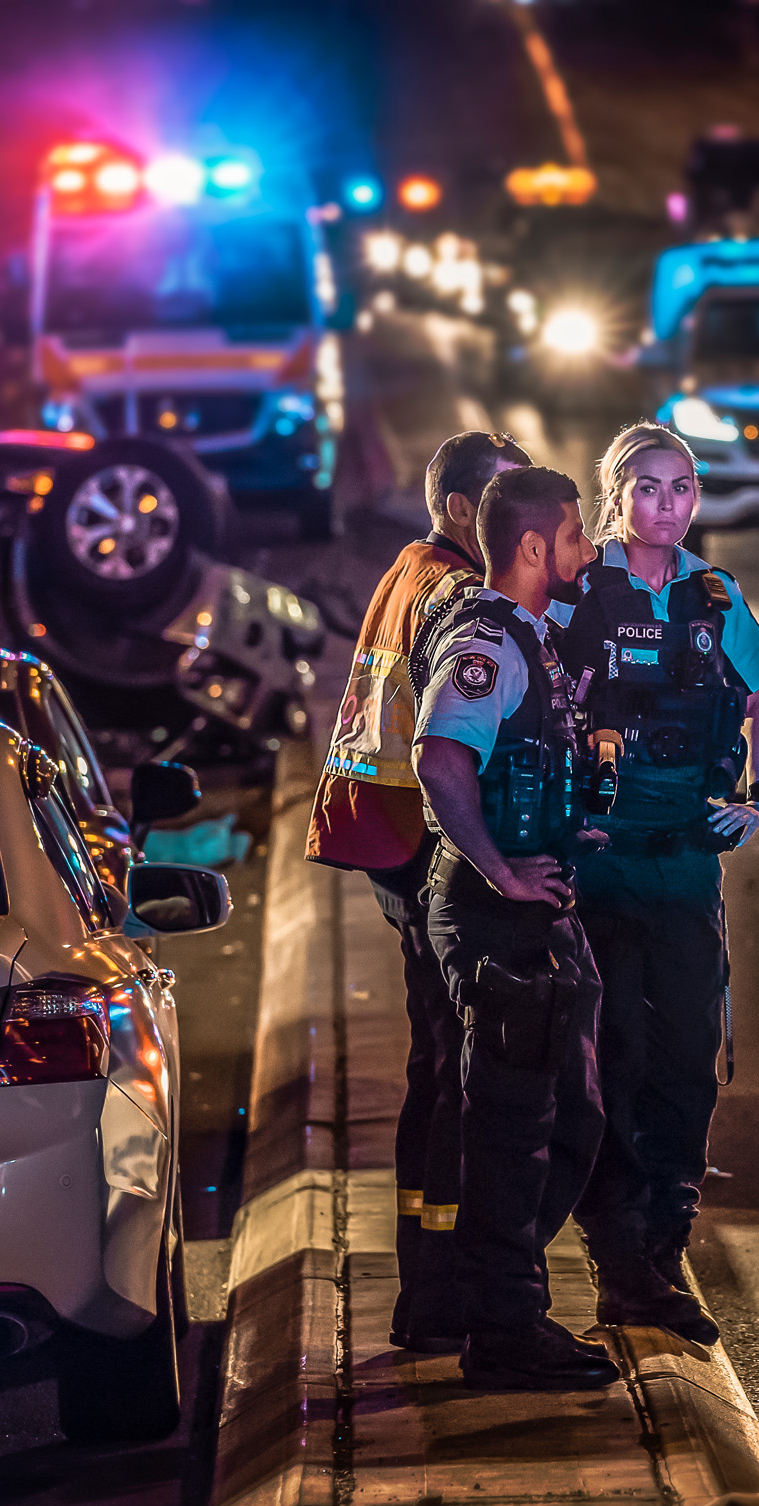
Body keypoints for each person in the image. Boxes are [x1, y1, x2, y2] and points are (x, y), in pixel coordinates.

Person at [550, 423, 759, 1345]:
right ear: (617, 496)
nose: (667, 504)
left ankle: (665, 1245)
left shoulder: (716, 595)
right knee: (611, 1060)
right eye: (647, 487)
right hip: (600, 865)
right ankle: (619, 1256)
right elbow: (537, 699)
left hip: (685, 861)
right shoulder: (579, 592)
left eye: (682, 487)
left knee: (688, 1057)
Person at [309, 431, 530, 1352]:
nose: (521, 526)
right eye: (506, 505)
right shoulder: (452, 593)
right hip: (427, 854)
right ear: (456, 511)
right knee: (459, 1076)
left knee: (433, 1070)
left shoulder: (409, 567)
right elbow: (457, 747)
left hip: (392, 848)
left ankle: (424, 1281)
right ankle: (442, 1291)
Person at [412, 464, 616, 1393]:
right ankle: (502, 1326)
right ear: (535, 546)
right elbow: (441, 757)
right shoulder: (486, 640)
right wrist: (499, 866)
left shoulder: (531, 637)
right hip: (495, 917)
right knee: (513, 1126)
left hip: (535, 911)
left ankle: (504, 1298)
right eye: (576, 535)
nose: (587, 549)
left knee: (565, 1114)